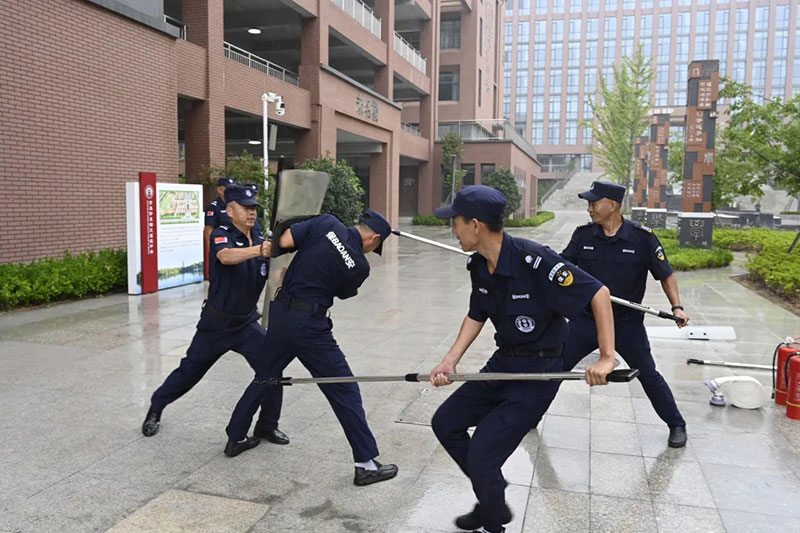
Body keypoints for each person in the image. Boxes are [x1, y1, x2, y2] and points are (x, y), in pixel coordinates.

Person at [428, 185, 616, 533]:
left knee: (483, 454)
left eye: (454, 222)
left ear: (475, 225)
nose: (452, 230)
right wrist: (448, 361)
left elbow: (599, 293)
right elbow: (476, 313)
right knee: (446, 422)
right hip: (503, 363)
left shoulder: (535, 260)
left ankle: (493, 521)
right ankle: (493, 497)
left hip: (539, 373)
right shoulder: (480, 266)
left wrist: (606, 358)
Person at [225, 210, 399, 486]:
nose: (372, 251)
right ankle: (366, 464)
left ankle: (235, 437)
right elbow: (342, 292)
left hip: (281, 312)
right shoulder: (360, 267)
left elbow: (284, 240)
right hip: (309, 326)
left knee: (265, 375)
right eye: (375, 247)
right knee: (345, 388)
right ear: (374, 238)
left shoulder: (326, 222)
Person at [142, 185, 288, 455]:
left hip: (246, 324)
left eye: (254, 208)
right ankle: (156, 406)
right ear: (230, 210)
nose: (251, 213)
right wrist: (259, 251)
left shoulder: (258, 236)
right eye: (246, 208)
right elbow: (225, 257)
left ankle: (267, 425)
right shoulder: (222, 235)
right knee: (189, 373)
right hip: (216, 324)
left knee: (273, 369)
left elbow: (271, 275)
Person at [560, 180, 689, 448]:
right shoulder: (583, 235)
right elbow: (562, 268)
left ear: (613, 205)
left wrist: (676, 306)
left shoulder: (642, 238)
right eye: (589, 203)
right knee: (553, 368)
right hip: (586, 320)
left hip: (626, 323)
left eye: (595, 203)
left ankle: (676, 424)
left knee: (648, 374)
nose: (590, 208)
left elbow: (665, 275)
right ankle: (526, 416)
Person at [204, 177, 234, 245]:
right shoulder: (214, 207)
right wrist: (211, 250)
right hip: (221, 243)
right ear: (219, 190)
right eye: (228, 188)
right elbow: (208, 230)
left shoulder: (235, 205)